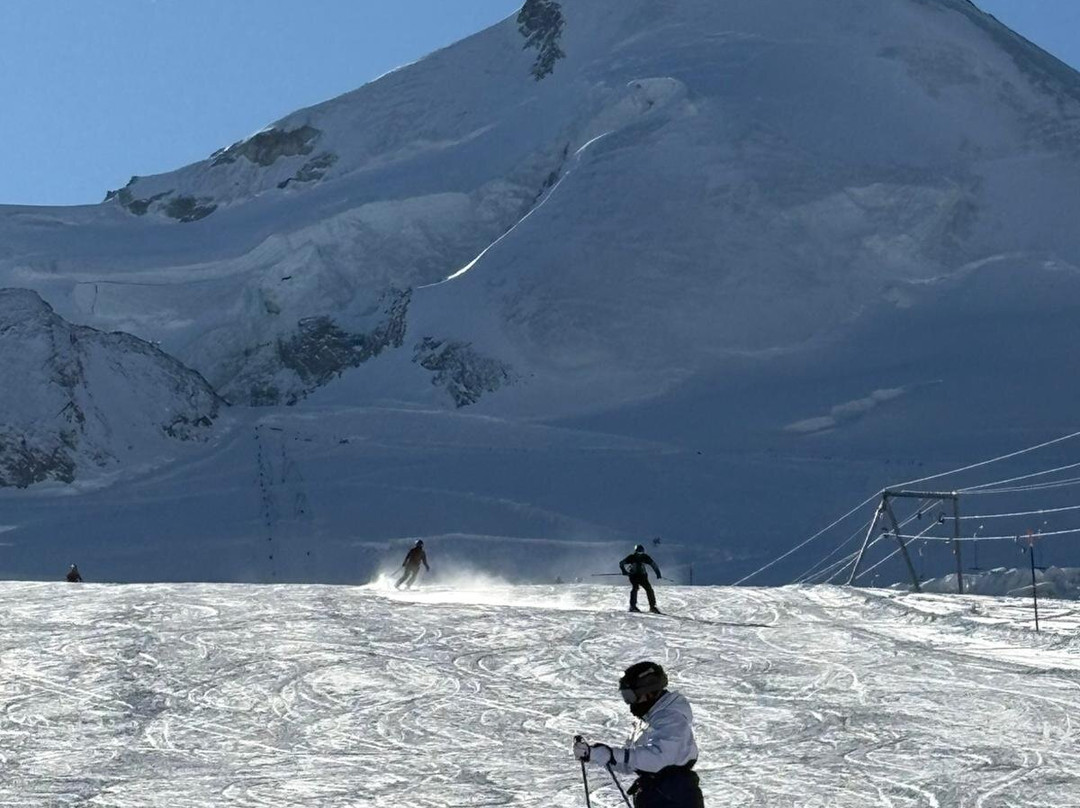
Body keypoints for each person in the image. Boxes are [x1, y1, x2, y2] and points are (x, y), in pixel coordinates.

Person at [573, 661, 704, 808]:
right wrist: (596, 754)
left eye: (631, 696)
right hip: (656, 795)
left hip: (675, 798)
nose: (629, 703)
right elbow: (631, 764)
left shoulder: (671, 718)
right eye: (625, 696)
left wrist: (612, 755)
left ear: (649, 692)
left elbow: (659, 759)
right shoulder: (649, 718)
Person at [619, 544, 662, 613]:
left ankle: (652, 607)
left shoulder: (645, 557)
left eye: (641, 552)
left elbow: (653, 565)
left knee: (649, 589)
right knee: (635, 588)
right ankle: (632, 606)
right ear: (635, 552)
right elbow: (621, 563)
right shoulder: (631, 557)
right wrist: (624, 571)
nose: (639, 554)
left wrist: (658, 573)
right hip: (633, 576)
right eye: (638, 552)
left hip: (643, 576)